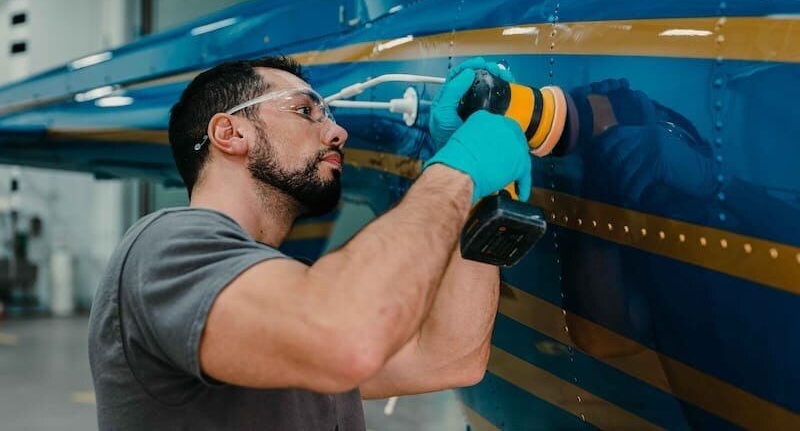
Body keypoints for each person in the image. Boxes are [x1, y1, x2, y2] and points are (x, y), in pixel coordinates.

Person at [87, 55, 532, 430]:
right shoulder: (165, 247)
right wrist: (457, 171)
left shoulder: (278, 298)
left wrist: (478, 196)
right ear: (229, 133)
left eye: (331, 117)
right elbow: (343, 336)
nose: (338, 133)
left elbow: (450, 359)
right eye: (305, 111)